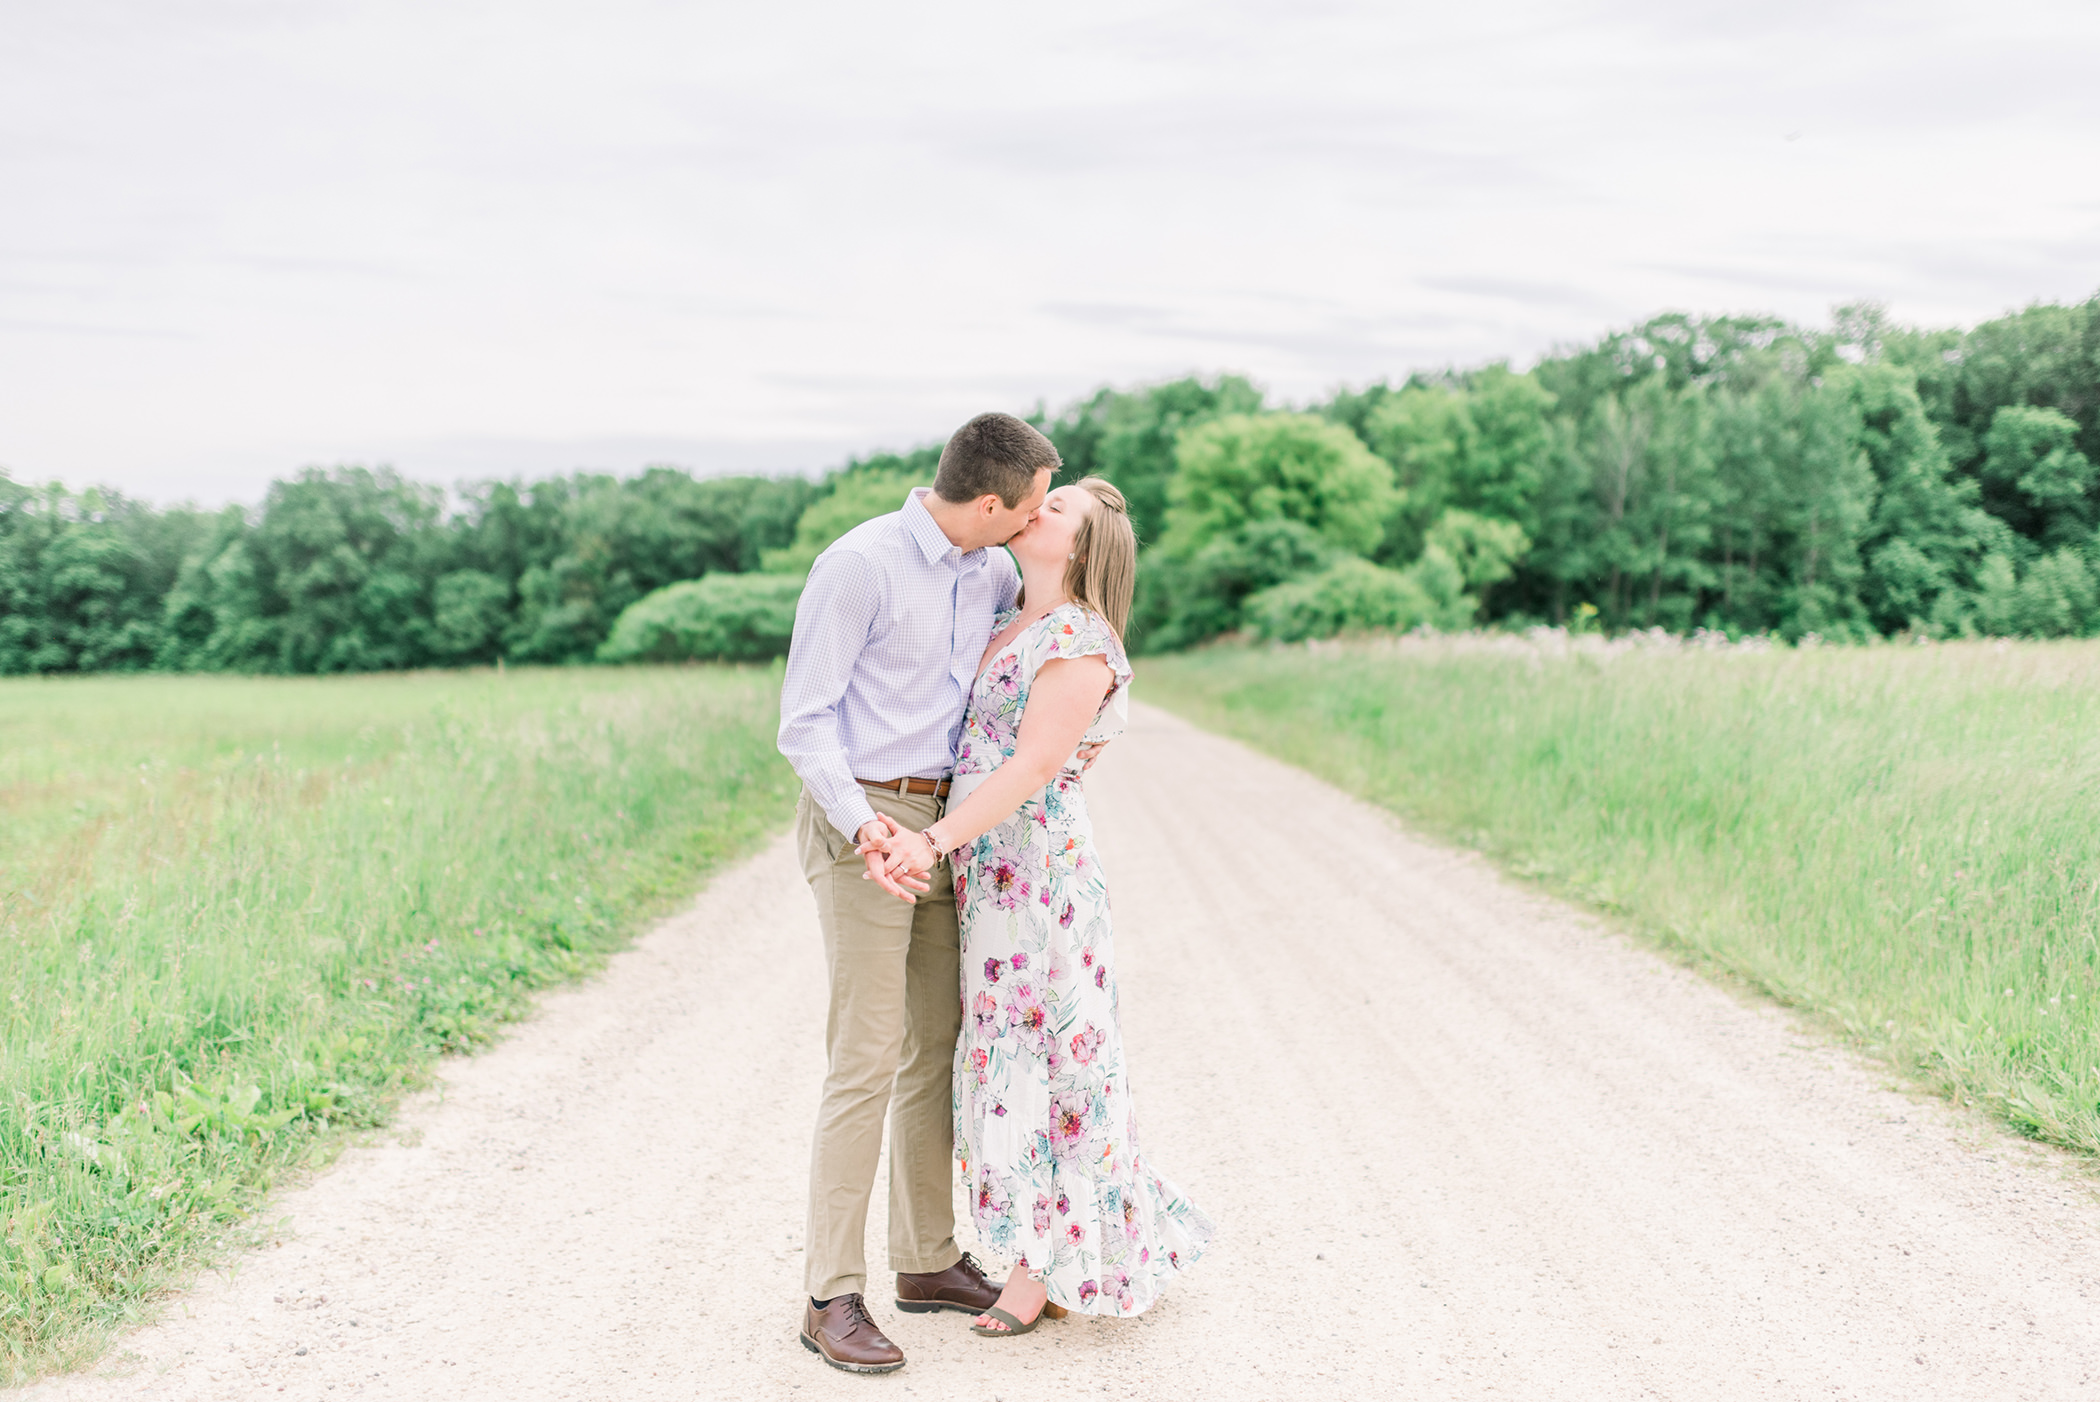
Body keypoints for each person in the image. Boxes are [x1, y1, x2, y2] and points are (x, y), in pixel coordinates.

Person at [864, 476, 1212, 1337]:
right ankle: (1039, 1240)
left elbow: (1029, 769)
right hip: (991, 879)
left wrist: (933, 839)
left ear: (1083, 548)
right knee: (998, 1051)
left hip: (1040, 878)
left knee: (1051, 1056)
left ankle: (1038, 1269)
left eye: (1055, 509)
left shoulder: (1080, 639)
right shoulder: (1003, 618)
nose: (1034, 509)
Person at [777, 412, 1070, 1375]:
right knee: (862, 1052)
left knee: (935, 1044)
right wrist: (865, 827)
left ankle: (927, 1260)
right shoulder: (857, 566)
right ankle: (831, 1294)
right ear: (990, 502)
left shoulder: (988, 571)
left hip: (946, 829)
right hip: (862, 819)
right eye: (1029, 507)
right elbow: (806, 722)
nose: (1034, 522)